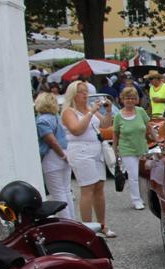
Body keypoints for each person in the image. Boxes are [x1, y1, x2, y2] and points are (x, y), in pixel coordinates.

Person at [61, 80, 115, 237]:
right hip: (80, 151)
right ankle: (88, 228)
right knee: (87, 189)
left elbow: (104, 124)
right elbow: (77, 129)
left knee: (99, 188)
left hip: (96, 150)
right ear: (73, 95)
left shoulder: (88, 109)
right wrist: (90, 112)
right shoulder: (69, 112)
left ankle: (102, 225)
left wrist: (108, 111)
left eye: (86, 91)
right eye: (81, 92)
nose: (85, 94)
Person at [34, 91, 74, 220]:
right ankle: (72, 219)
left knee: (57, 192)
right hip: (65, 153)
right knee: (66, 190)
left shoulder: (41, 120)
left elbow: (51, 140)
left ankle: (65, 221)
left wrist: (61, 155)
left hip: (52, 157)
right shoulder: (57, 117)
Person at [112, 87, 153, 210]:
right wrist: (115, 150)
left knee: (145, 175)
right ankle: (136, 200)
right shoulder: (118, 116)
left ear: (136, 100)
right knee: (133, 175)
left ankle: (144, 197)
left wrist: (158, 141)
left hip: (142, 148)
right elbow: (115, 134)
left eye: (132, 98)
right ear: (122, 99)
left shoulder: (140, 111)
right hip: (127, 150)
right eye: (127, 98)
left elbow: (149, 127)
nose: (129, 100)